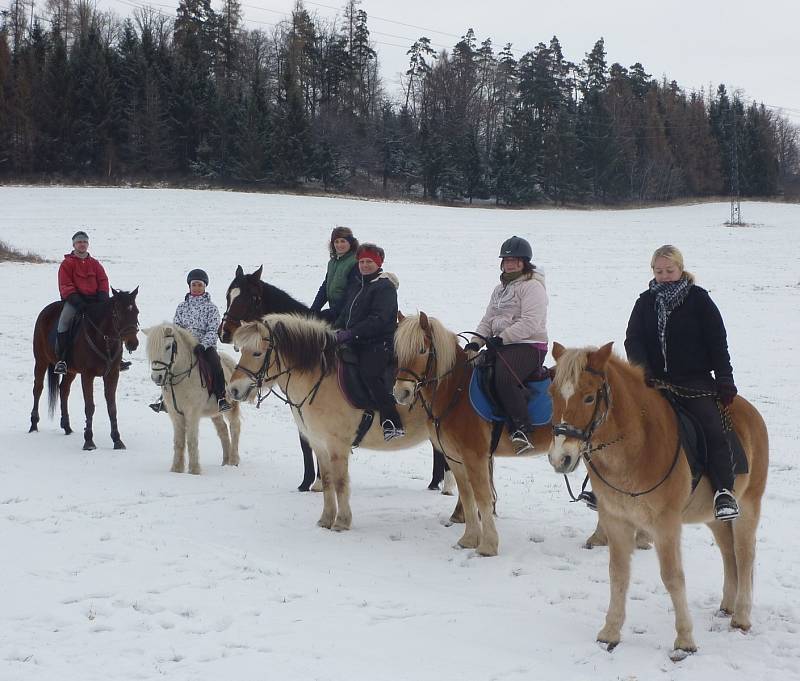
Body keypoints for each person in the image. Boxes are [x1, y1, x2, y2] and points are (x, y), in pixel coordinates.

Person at [625, 244, 739, 521]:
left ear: (680, 269)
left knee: (712, 427)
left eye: (669, 270)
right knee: (625, 424)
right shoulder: (645, 302)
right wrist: (643, 371)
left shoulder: (699, 300)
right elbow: (633, 340)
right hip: (654, 382)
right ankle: (619, 486)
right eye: (659, 271)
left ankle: (724, 491)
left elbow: (716, 341)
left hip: (694, 381)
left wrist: (724, 379)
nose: (664, 276)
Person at [464, 236, 549, 455]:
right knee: (469, 370)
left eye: (515, 260)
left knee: (504, 376)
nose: (510, 263)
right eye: (506, 259)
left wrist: (502, 338)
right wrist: (475, 343)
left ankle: (521, 429)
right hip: (500, 345)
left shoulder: (532, 287)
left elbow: (531, 322)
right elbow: (488, 320)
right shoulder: (498, 289)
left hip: (529, 345)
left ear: (524, 262)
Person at [333, 243, 404, 442]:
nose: (364, 265)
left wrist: (351, 333)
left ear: (378, 263)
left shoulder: (385, 287)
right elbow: (346, 313)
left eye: (369, 262)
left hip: (378, 342)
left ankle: (392, 420)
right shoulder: (357, 284)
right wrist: (334, 329)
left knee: (369, 373)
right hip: (355, 338)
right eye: (362, 261)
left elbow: (378, 320)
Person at [149, 269, 231, 413]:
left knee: (215, 363)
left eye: (200, 285)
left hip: (204, 346)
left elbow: (213, 330)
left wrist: (203, 345)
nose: (197, 288)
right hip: (184, 347)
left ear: (205, 287)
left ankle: (221, 398)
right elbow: (176, 327)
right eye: (194, 285)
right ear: (189, 287)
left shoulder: (211, 308)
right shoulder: (182, 307)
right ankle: (163, 399)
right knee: (169, 363)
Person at [54, 230, 129, 374]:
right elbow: (65, 285)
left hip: (95, 300)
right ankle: (62, 360)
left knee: (112, 320)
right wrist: (77, 301)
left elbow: (103, 280)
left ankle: (117, 358)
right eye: (79, 242)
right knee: (64, 322)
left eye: (84, 242)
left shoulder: (95, 264)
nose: (82, 245)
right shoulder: (67, 264)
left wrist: (102, 297)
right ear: (74, 244)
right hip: (74, 301)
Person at [310, 226, 360, 323]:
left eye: (343, 241)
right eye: (336, 241)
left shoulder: (355, 262)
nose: (339, 245)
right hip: (335, 310)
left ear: (350, 243)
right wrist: (314, 309)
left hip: (348, 314)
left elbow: (352, 293)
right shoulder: (333, 262)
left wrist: (333, 313)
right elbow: (325, 287)